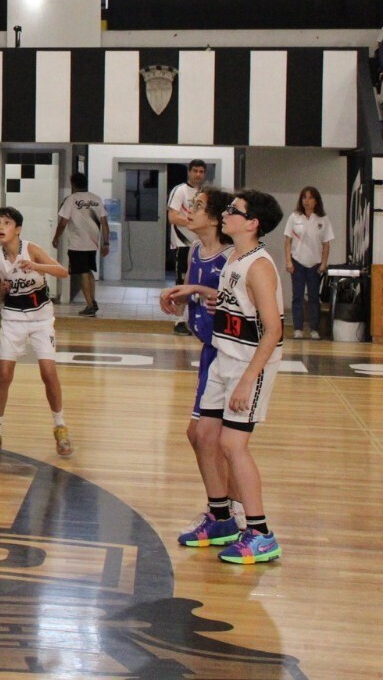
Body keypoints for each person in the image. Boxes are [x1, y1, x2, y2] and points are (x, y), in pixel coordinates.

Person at [161, 189, 286, 565]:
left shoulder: (260, 266)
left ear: (252, 223)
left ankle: (261, 532)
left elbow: (274, 330)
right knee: (204, 434)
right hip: (222, 359)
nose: (226, 214)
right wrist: (196, 291)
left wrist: (249, 378)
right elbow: (230, 300)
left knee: (233, 446)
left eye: (235, 211)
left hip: (247, 363)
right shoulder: (235, 256)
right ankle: (220, 518)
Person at [159, 188, 244, 550]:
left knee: (218, 440)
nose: (188, 211)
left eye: (196, 207)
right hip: (209, 350)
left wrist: (195, 288)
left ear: (215, 218)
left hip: (230, 354)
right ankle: (224, 512)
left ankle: (233, 513)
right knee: (204, 437)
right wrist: (179, 300)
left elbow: (233, 300)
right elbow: (198, 296)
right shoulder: (195, 251)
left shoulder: (232, 257)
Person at [0, 206, 73, 459]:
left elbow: (63, 272)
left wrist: (35, 265)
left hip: (41, 317)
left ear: (17, 229)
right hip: (12, 318)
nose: (1, 227)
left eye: (6, 223)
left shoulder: (30, 249)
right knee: (4, 373)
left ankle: (60, 426)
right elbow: (0, 292)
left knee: (48, 371)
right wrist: (1, 290)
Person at [52, 173, 109, 317]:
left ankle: (89, 305)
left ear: (73, 184)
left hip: (77, 244)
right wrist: (106, 243)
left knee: (83, 272)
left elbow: (63, 222)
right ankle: (93, 301)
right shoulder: (96, 199)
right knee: (89, 271)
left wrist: (56, 237)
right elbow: (105, 224)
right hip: (93, 243)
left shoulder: (71, 200)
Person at [283, 186, 333, 339]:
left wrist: (324, 263)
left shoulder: (323, 219)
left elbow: (326, 244)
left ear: (316, 200)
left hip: (315, 264)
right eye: (304, 197)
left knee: (313, 297)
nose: (307, 201)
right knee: (297, 296)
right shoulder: (294, 217)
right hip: (297, 262)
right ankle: (298, 328)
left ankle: (314, 329)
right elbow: (287, 241)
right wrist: (288, 261)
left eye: (310, 197)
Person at [167, 160, 209, 335]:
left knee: (198, 283)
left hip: (202, 245)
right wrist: (192, 222)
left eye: (201, 171)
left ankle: (195, 318)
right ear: (189, 172)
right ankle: (179, 321)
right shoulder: (180, 190)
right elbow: (173, 216)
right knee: (182, 281)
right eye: (195, 171)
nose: (198, 174)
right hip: (183, 243)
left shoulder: (205, 194)